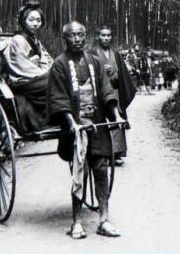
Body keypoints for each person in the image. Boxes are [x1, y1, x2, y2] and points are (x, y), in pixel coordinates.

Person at [47, 21, 126, 239]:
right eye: (72, 35)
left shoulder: (96, 61)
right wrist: (71, 122)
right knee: (79, 174)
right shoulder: (60, 65)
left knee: (101, 170)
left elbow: (107, 91)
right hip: (75, 126)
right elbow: (59, 98)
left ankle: (104, 220)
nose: (77, 39)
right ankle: (76, 222)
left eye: (81, 34)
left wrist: (116, 116)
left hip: (96, 122)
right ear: (65, 38)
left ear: (86, 36)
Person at [2, 1, 53, 130]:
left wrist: (50, 70)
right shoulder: (17, 40)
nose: (35, 24)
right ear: (23, 21)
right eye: (31, 20)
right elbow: (21, 66)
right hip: (23, 80)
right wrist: (44, 73)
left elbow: (48, 61)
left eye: (38, 20)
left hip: (36, 79)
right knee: (53, 80)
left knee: (58, 77)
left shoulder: (36, 42)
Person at [90, 26, 136, 166]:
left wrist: (114, 75)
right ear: (98, 36)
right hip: (99, 93)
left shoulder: (115, 54)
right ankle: (101, 153)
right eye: (103, 35)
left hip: (115, 91)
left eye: (108, 35)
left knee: (117, 121)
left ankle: (116, 153)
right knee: (100, 121)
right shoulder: (91, 53)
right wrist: (101, 71)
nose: (106, 38)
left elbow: (122, 74)